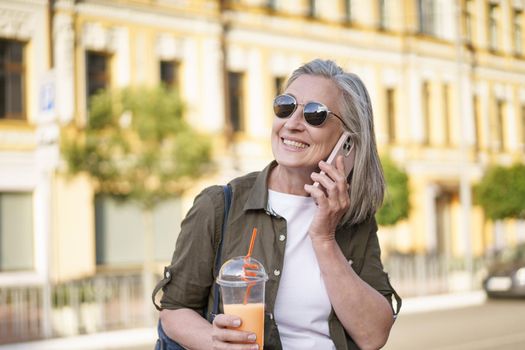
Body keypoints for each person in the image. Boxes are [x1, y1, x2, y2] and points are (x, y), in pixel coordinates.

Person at [153, 58, 401, 350]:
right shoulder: (219, 206)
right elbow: (174, 310)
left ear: (347, 141)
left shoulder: (352, 218)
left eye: (315, 114)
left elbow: (373, 336)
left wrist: (324, 239)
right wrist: (215, 342)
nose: (292, 124)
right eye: (286, 106)